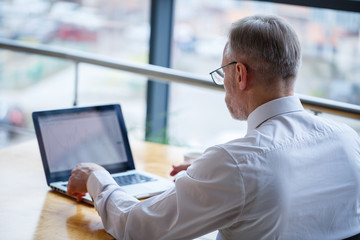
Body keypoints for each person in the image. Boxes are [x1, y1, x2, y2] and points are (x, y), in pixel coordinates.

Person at [67, 15, 360, 239]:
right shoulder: (347, 140)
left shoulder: (236, 164)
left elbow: (137, 228)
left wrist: (96, 177)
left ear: (240, 74)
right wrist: (208, 174)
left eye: (223, 73)